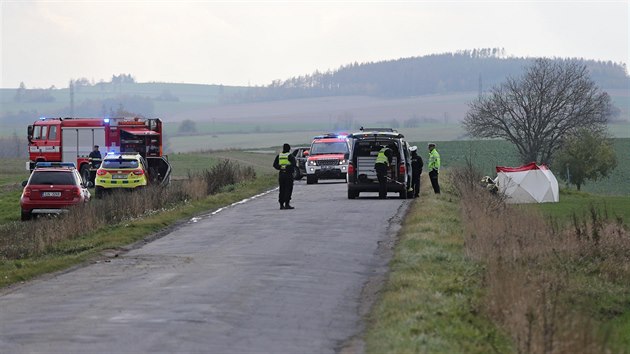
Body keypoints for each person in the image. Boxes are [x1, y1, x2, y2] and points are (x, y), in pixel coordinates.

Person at [273, 143, 298, 209]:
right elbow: (294, 164)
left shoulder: (279, 155)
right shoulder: (290, 156)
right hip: (288, 174)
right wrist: (287, 167)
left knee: (282, 189)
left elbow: (274, 165)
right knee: (288, 189)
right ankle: (287, 204)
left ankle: (281, 205)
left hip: (281, 174)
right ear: (289, 149)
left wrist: (281, 167)